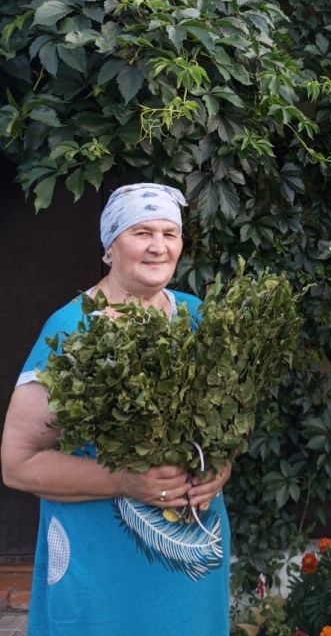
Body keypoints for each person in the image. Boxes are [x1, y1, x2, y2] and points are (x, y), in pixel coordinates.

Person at [1, 183, 232, 636]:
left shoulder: (196, 317)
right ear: (110, 246)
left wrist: (219, 468)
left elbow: (221, 426)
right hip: (101, 565)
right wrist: (125, 481)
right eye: (141, 232)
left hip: (191, 560)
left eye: (170, 233)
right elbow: (17, 464)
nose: (158, 246)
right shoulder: (72, 329)